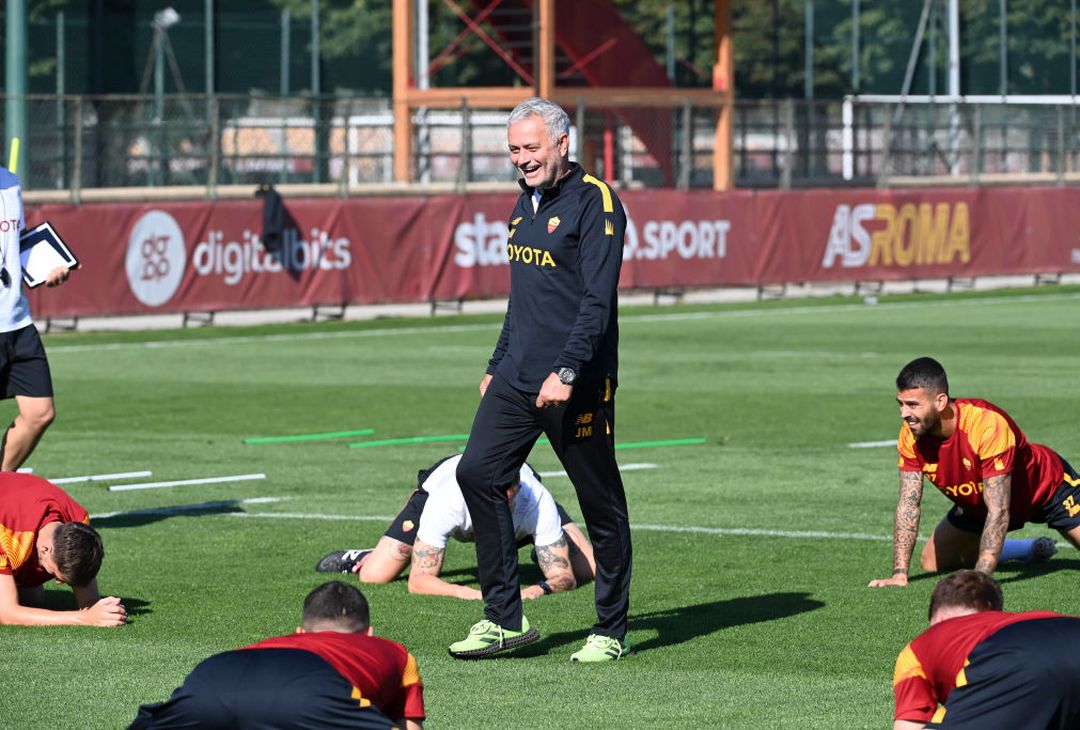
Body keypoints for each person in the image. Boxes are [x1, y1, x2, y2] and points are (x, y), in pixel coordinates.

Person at [448, 97, 632, 662]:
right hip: (517, 376)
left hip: (574, 383)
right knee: (478, 473)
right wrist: (496, 362)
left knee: (600, 505)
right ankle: (504, 619)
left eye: (531, 148)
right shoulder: (522, 203)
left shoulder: (596, 202)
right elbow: (521, 299)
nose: (522, 160)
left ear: (561, 143)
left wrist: (568, 370)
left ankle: (610, 629)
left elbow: (596, 303)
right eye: (514, 151)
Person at [869, 356, 1080, 588]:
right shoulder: (911, 435)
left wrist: (982, 579)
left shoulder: (986, 424)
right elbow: (908, 503)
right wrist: (899, 573)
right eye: (900, 403)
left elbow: (999, 512)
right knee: (932, 562)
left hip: (1047, 490)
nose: (904, 413)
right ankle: (1027, 549)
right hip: (979, 502)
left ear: (940, 402)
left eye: (912, 404)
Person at [131, 581, 426, 729]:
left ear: (300, 632)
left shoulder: (276, 641)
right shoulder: (395, 653)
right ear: (369, 634)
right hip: (308, 690)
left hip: (215, 673)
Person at [315, 454, 596, 600]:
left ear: (517, 487)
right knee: (375, 575)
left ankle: (546, 544)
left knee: (591, 569)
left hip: (521, 526)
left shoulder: (535, 498)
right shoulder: (446, 500)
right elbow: (419, 582)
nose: (497, 503)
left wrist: (536, 590)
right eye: (490, 497)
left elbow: (564, 578)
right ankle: (370, 554)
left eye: (505, 496)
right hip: (441, 487)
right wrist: (471, 593)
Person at [891, 570, 1080, 728]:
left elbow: (908, 726)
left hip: (1014, 654)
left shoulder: (920, 646)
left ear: (937, 619)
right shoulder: (1006, 621)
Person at [0, 164, 72, 472]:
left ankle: (3, 481)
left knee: (40, 413)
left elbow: (16, 245)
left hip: (17, 319)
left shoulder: (11, 182)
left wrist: (47, 269)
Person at [0, 471, 126, 626]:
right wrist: (83, 618)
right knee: (26, 601)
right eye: (56, 574)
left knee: (32, 601)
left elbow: (89, 603)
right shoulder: (7, 535)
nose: (58, 582)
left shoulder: (78, 521)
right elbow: (7, 613)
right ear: (46, 549)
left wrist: (101, 610)